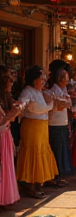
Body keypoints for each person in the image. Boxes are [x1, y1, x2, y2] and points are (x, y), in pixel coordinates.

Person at [17, 66, 58, 199]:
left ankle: (37, 183)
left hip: (41, 127)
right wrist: (20, 105)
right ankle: (31, 185)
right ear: (34, 79)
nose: (44, 80)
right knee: (33, 153)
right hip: (32, 127)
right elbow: (24, 103)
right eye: (42, 78)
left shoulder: (41, 92)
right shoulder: (28, 92)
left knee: (41, 152)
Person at [48, 68, 73, 186]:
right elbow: (59, 105)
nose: (67, 81)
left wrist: (66, 102)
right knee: (57, 150)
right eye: (66, 78)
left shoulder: (63, 90)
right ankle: (55, 176)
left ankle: (60, 175)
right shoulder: (54, 90)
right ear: (60, 79)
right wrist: (66, 102)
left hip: (62, 123)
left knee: (62, 150)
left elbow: (68, 103)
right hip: (55, 124)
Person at [0, 74, 21, 206]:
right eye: (9, 83)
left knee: (6, 166)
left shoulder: (6, 99)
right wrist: (14, 112)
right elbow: (5, 119)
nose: (11, 85)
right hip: (2, 135)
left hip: (5, 136)